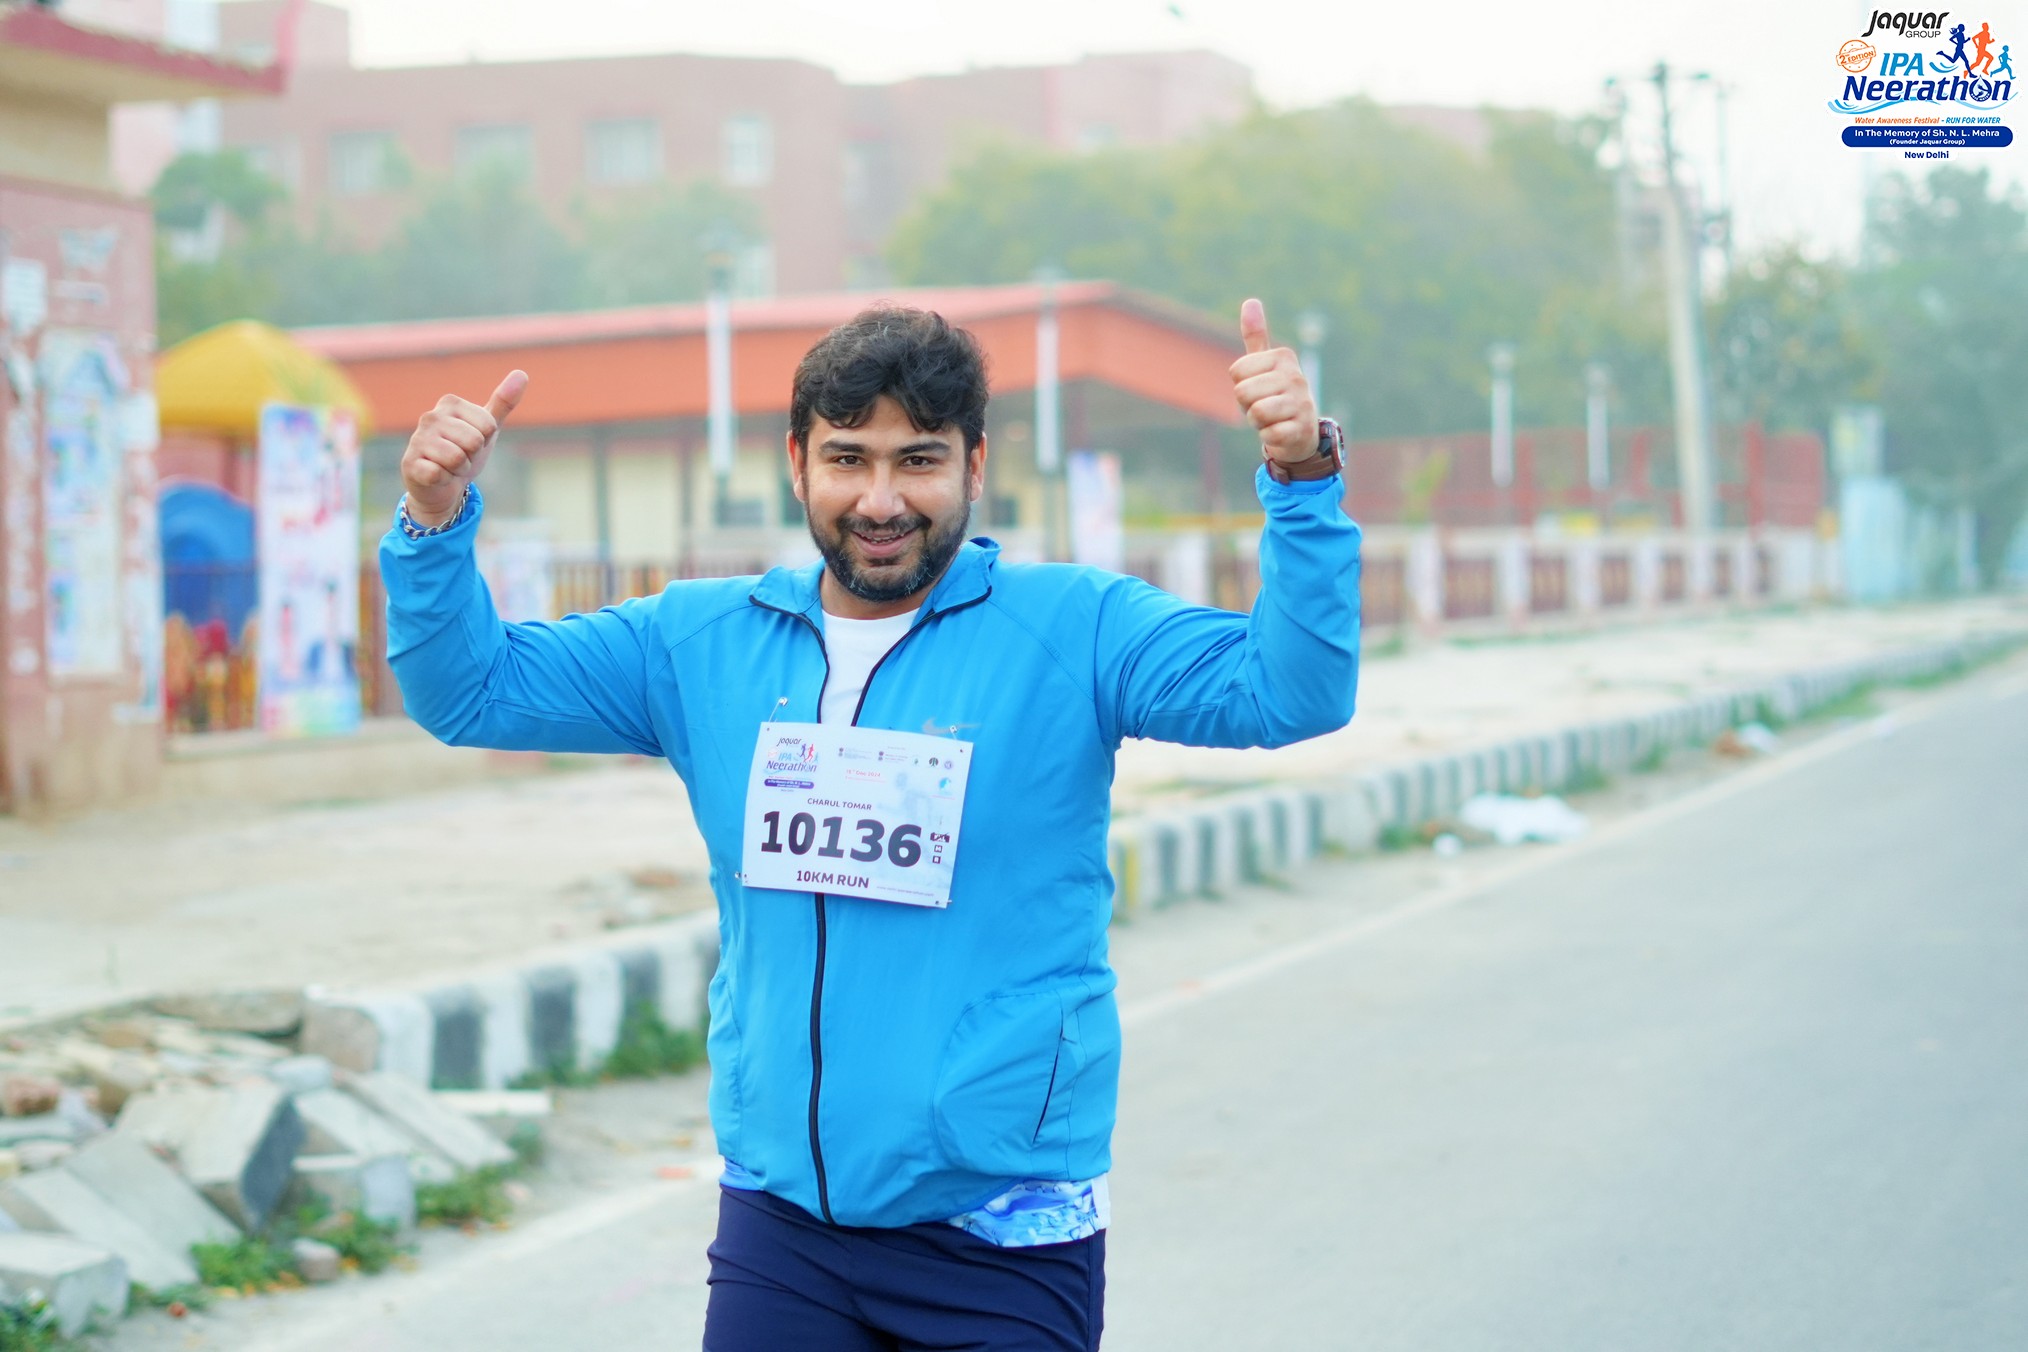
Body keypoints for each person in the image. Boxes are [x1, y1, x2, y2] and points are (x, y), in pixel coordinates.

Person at [381, 299, 1362, 1350]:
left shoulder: (1075, 628)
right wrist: (433, 521)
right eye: (848, 459)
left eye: (918, 461)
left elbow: (1288, 690)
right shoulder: (699, 641)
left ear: (974, 466)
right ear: (797, 464)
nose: (881, 501)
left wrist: (1301, 479)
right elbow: (472, 691)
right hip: (785, 1227)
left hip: (1003, 1229)